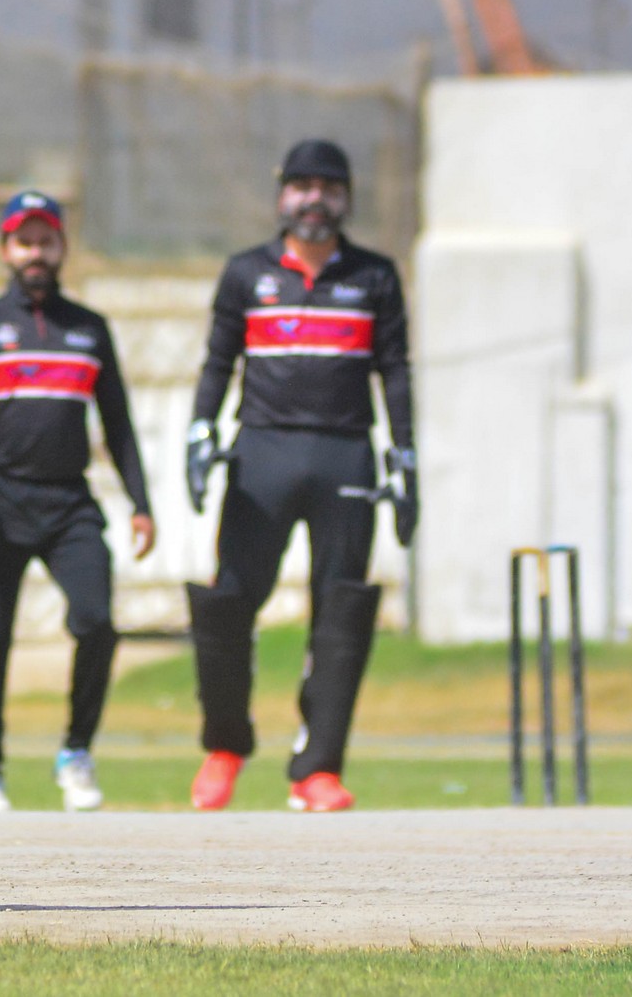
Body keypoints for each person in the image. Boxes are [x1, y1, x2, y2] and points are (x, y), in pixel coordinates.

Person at [184, 138, 416, 813]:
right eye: (303, 187)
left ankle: (317, 769)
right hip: (262, 452)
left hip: (346, 453)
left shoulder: (375, 276)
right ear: (282, 194)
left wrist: (404, 453)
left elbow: (395, 370)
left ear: (347, 199)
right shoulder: (245, 273)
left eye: (330, 188)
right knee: (229, 600)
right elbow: (218, 362)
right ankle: (225, 746)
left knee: (342, 608)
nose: (315, 199)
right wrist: (201, 430)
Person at [0, 191, 156, 813]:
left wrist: (141, 502)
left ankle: (76, 752)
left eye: (46, 241)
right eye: (24, 241)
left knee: (97, 621)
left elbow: (118, 423)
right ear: (6, 249)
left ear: (62, 248)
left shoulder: (89, 329)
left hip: (68, 503)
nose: (36, 252)